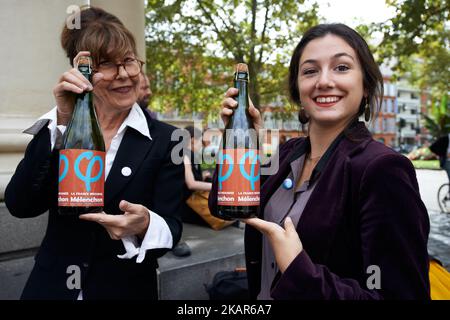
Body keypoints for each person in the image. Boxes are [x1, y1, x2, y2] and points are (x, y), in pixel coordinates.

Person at [209, 23, 430, 299]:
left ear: (365, 86)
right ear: (298, 90)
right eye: (310, 71)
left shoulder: (382, 170)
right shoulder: (288, 152)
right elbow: (227, 206)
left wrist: (299, 270)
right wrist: (240, 142)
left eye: (341, 67)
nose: (324, 81)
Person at [5, 7, 184, 300]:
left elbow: (173, 226)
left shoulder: (167, 139)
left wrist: (146, 224)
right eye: (108, 65)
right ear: (82, 72)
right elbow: (20, 205)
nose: (124, 75)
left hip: (125, 289)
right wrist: (62, 121)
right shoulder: (58, 126)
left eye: (128, 61)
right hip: (52, 287)